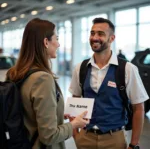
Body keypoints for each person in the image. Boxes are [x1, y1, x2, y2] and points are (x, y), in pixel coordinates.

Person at [6, 18, 89, 149]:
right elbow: (49, 136)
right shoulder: (42, 79)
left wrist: (58, 113)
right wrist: (74, 124)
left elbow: (27, 113)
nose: (59, 44)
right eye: (56, 38)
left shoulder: (15, 73)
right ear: (46, 42)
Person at [69, 17, 149, 149]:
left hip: (114, 139)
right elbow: (76, 99)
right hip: (85, 137)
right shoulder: (81, 68)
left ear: (112, 38)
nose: (95, 37)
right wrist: (75, 134)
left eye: (100, 34)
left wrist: (134, 144)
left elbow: (139, 108)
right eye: (92, 33)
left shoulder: (127, 69)